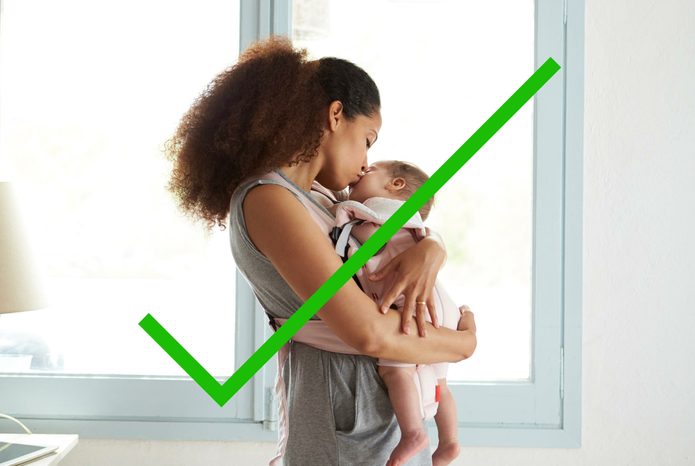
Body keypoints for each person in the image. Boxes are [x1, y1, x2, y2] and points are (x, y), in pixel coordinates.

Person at [165, 36, 477, 466]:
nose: (368, 160)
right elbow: (366, 331)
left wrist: (432, 247)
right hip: (344, 434)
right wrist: (463, 345)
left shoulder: (321, 199)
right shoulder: (268, 199)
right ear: (335, 115)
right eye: (368, 139)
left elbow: (396, 231)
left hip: (379, 424)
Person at [329, 160, 466, 466]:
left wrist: (345, 223)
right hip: (441, 304)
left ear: (396, 186)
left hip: (414, 304)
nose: (363, 168)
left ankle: (413, 433)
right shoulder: (412, 221)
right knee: (439, 382)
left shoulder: (380, 210)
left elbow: (368, 239)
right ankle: (450, 440)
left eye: (373, 168)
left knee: (396, 370)